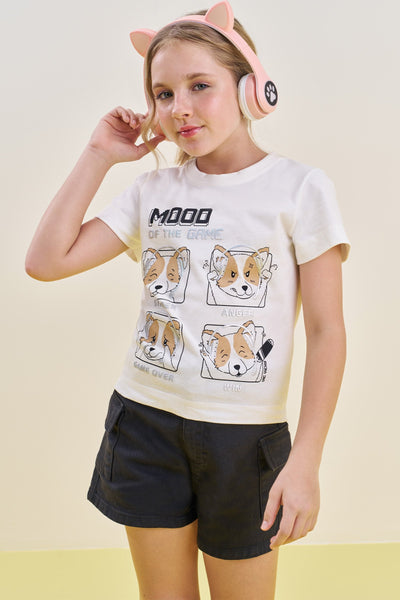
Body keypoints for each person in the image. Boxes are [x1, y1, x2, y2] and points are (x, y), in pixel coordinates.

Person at [25, 2, 350, 598]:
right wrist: (99, 154)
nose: (179, 108)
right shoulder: (152, 190)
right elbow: (46, 262)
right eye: (163, 93)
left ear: (250, 88)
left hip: (245, 440)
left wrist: (305, 460)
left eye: (200, 85)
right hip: (146, 423)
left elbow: (327, 331)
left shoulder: (300, 189)